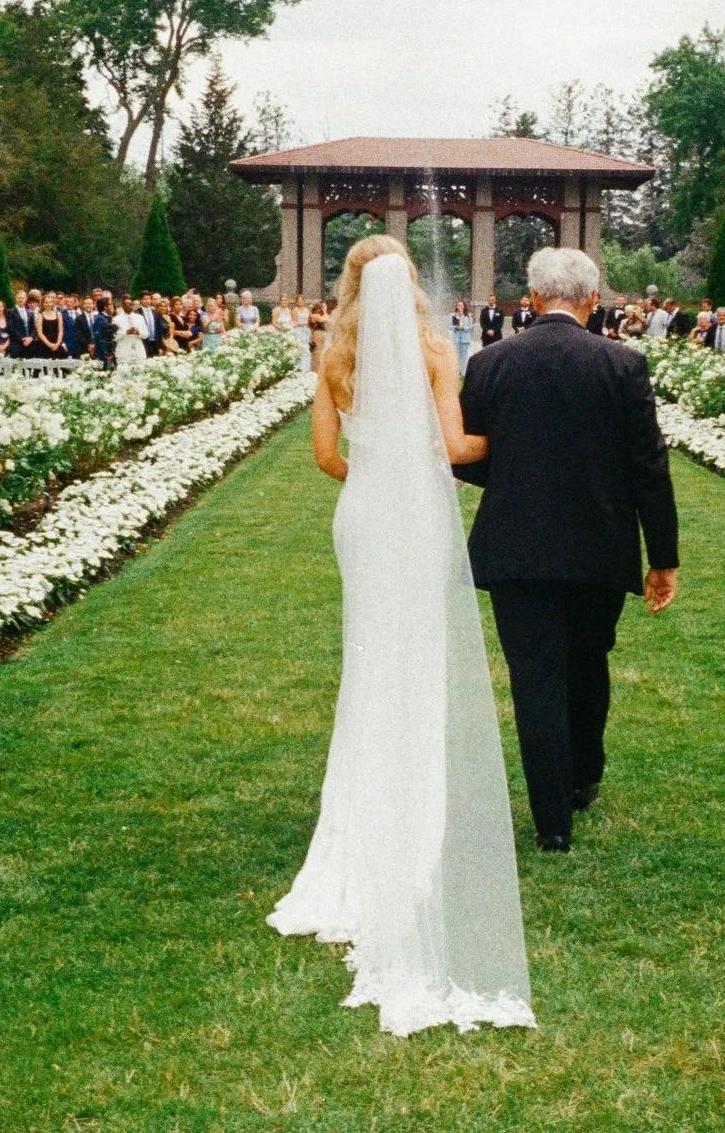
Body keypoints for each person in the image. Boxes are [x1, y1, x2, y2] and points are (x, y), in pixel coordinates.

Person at [270, 236, 536, 1039]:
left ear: (349, 285)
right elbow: (457, 449)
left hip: (363, 517)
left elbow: (325, 455)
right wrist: (527, 438)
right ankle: (416, 799)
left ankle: (362, 804)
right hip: (416, 518)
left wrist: (377, 474)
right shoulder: (431, 351)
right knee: (418, 660)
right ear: (410, 286)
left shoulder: (334, 357)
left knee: (369, 663)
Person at [454, 244, 679, 856]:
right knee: (588, 661)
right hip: (598, 545)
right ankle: (582, 777)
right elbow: (648, 468)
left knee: (536, 678)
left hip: (515, 546)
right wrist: (663, 557)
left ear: (530, 299)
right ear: (593, 300)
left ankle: (553, 818)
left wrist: (517, 472)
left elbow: (470, 456)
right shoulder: (623, 364)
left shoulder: (491, 362)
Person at [449, 298, 475, 372]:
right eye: (458, 305)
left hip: (465, 338)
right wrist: (455, 327)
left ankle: (463, 372)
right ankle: (456, 371)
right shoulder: (453, 315)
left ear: (464, 306)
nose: (460, 306)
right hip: (456, 338)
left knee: (465, 356)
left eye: (461, 305)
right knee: (456, 356)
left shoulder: (468, 316)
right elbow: (450, 326)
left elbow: (471, 326)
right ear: (456, 306)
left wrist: (463, 328)